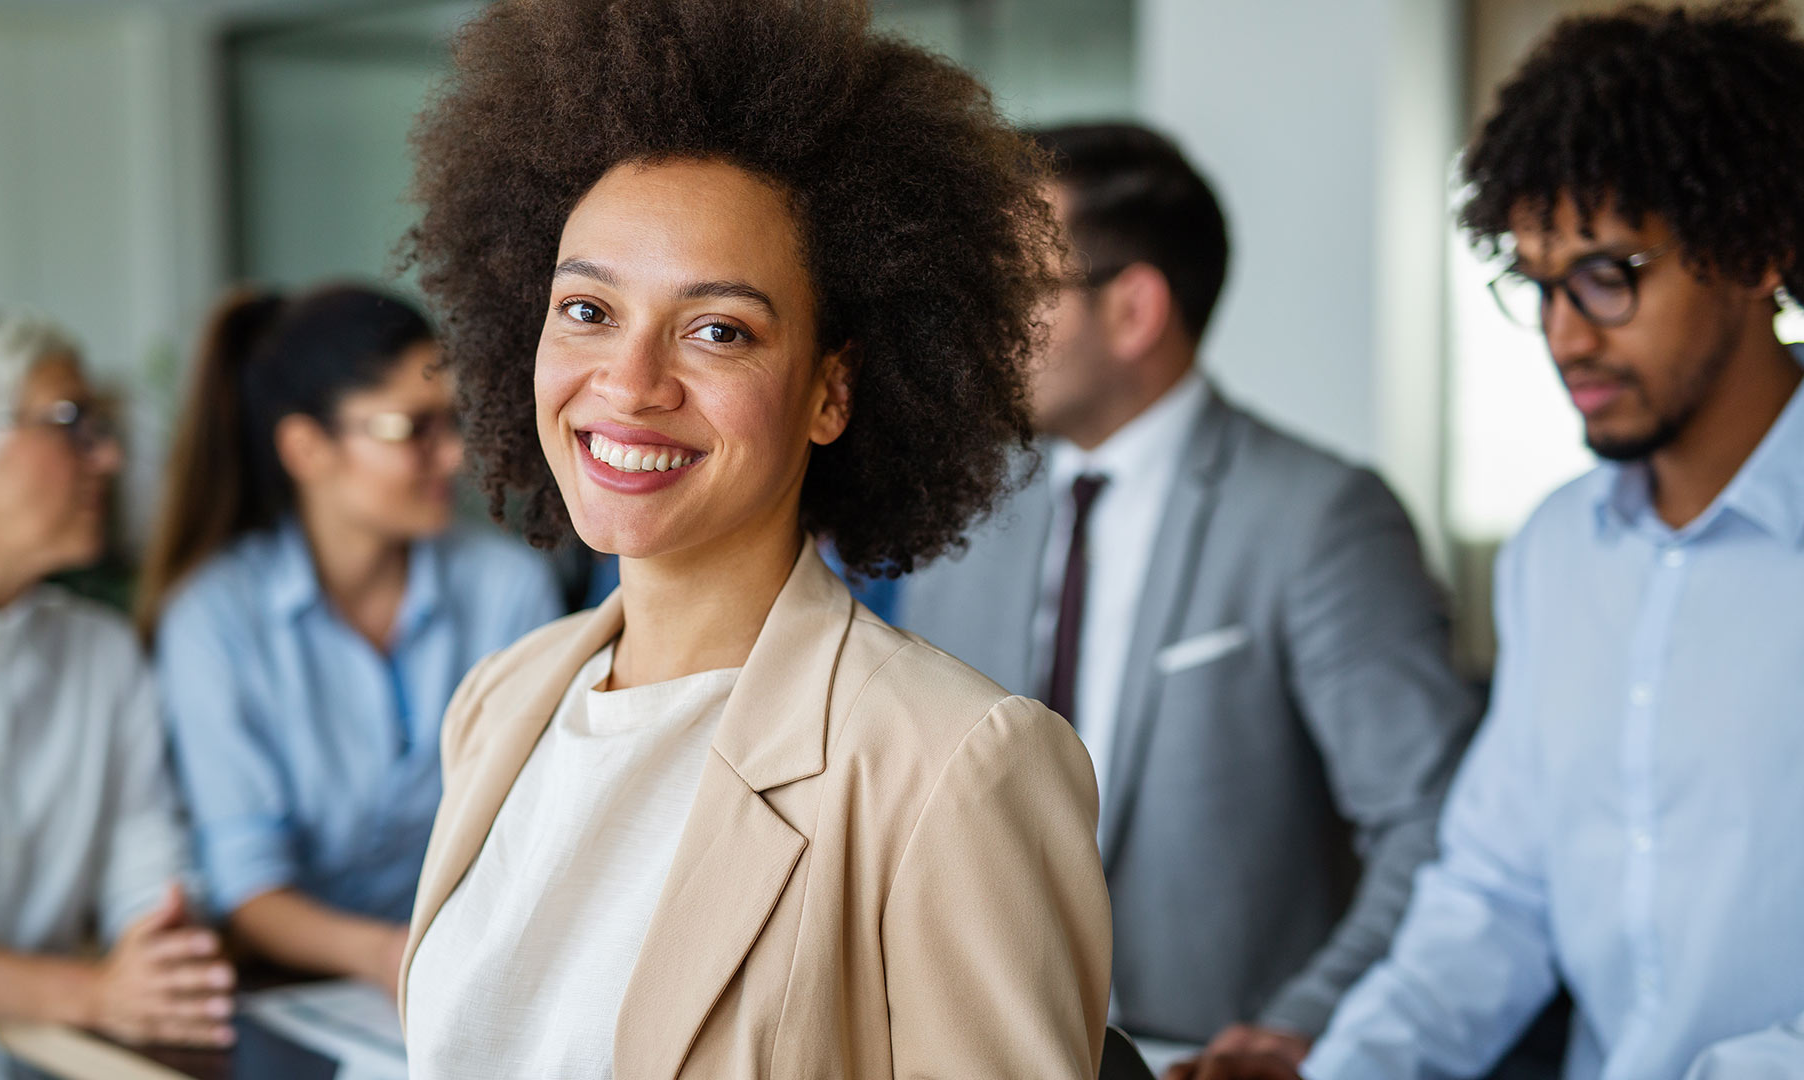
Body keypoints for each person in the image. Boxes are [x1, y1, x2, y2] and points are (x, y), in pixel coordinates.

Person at [393, 0, 1112, 1076]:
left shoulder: (950, 767)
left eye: (718, 330)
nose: (629, 385)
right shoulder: (500, 704)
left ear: (832, 390)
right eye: (587, 310)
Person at [1175, 4, 1804, 1079]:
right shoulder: (1558, 555)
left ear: (1754, 252)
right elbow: (1492, 898)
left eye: (1610, 276)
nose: (1566, 335)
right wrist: (1345, 1069)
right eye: (1541, 285)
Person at [898, 121, 1481, 1063]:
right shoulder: (966, 520)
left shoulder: (1319, 516)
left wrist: (1302, 1026)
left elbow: (1433, 820)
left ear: (1133, 310)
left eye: (1015, 288)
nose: (983, 323)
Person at [139, 285, 563, 993]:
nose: (453, 455)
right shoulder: (215, 620)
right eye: (411, 428)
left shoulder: (508, 587)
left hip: (483, 969)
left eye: (453, 421)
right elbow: (249, 889)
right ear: (307, 447)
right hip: (300, 990)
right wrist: (394, 958)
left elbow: (537, 826)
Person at [0, 311, 234, 1078]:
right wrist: (97, 994)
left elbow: (148, 864)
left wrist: (158, 959)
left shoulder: (100, 652)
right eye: (69, 423)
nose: (106, 457)